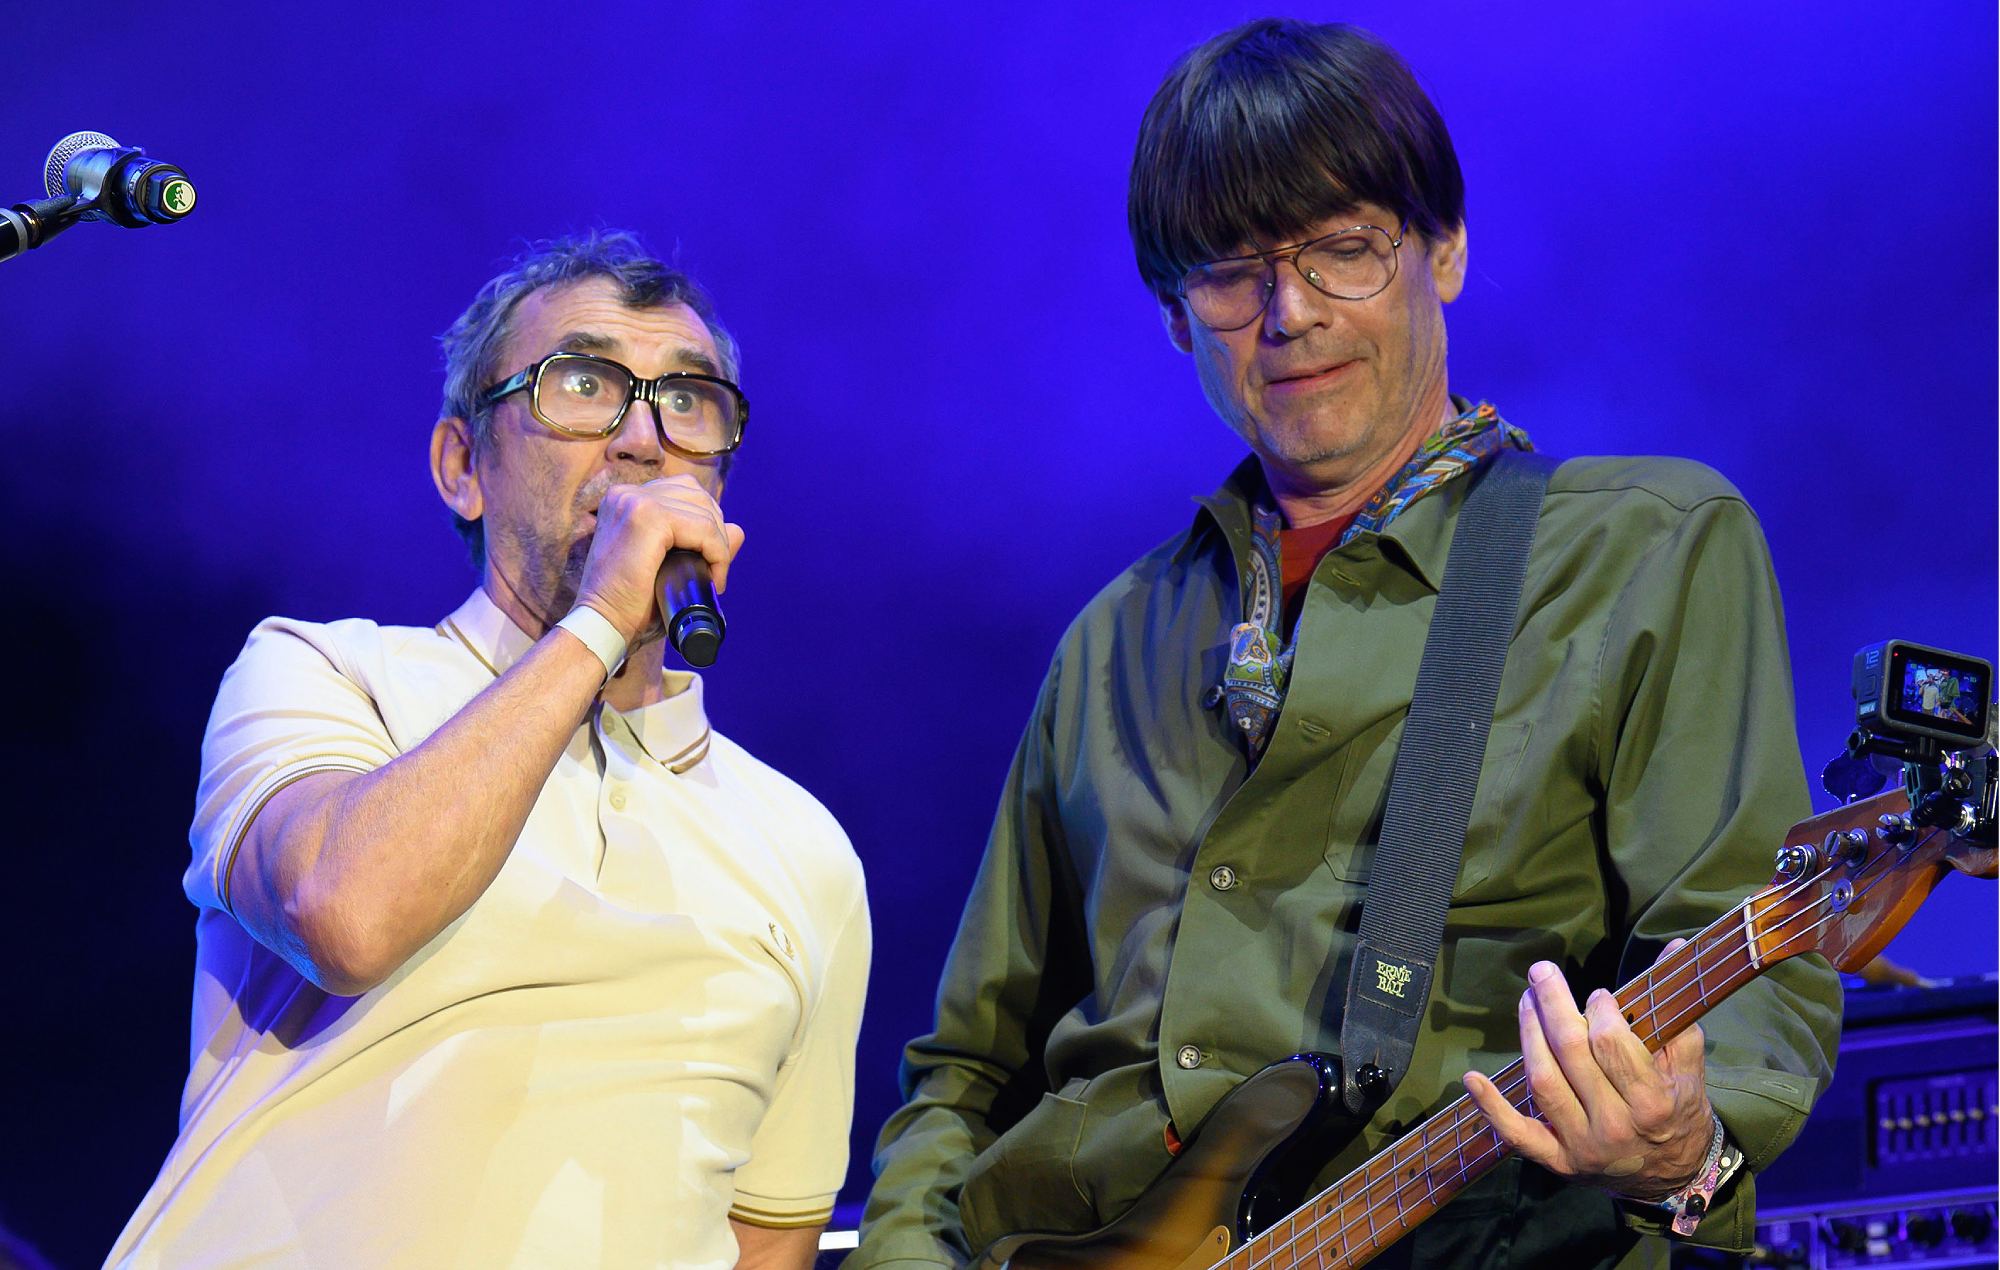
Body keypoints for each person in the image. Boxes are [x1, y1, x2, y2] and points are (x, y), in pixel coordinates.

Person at [853, 20, 1837, 1270]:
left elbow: (1742, 954)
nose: (1289, 312)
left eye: (1344, 251)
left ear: (1446, 252)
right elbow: (962, 1074)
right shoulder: (1110, 640)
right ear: (1174, 318)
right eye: (1229, 271)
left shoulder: (1643, 548)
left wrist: (1681, 1148)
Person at [109, 232, 869, 1269]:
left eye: (688, 402)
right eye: (585, 384)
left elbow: (770, 1240)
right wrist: (600, 618)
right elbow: (347, 911)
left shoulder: (804, 848)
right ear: (462, 466)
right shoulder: (326, 674)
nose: (642, 440)